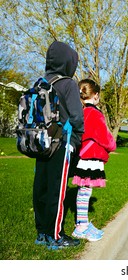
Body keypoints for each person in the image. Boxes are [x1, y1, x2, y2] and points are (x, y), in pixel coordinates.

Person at [33, 41, 84, 250]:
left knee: (41, 187)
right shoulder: (68, 84)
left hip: (40, 143)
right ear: (68, 62)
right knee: (58, 190)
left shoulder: (41, 82)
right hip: (61, 144)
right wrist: (76, 140)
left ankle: (42, 233)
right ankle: (56, 236)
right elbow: (77, 118)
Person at [71, 79, 116, 241]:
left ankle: (83, 223)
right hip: (91, 157)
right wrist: (112, 145)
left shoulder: (80, 112)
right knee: (85, 192)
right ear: (96, 95)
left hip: (84, 155)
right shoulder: (95, 114)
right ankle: (81, 227)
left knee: (84, 190)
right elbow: (103, 136)